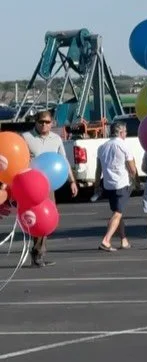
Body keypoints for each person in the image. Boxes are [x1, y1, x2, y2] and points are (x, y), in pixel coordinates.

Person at [23, 110, 78, 267]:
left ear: (52, 123)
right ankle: (38, 252)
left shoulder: (56, 139)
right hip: (31, 184)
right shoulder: (26, 137)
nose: (44, 125)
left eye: (47, 122)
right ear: (36, 122)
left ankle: (38, 251)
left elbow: (64, 161)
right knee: (35, 218)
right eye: (41, 122)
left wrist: (72, 181)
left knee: (47, 218)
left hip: (49, 185)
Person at [94, 122, 137, 252]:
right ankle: (106, 240)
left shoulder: (102, 147)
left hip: (108, 184)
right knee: (117, 214)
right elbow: (132, 169)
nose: (126, 135)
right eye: (125, 132)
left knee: (118, 212)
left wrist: (97, 185)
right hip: (121, 184)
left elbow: (98, 169)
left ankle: (124, 240)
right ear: (120, 132)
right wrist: (135, 180)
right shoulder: (123, 146)